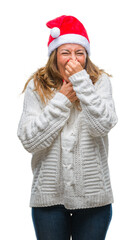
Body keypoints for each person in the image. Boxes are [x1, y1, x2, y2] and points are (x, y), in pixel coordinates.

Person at [17, 15, 118, 240]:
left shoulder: (99, 82)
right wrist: (61, 100)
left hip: (95, 200)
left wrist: (82, 83)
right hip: (48, 200)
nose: (73, 59)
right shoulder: (37, 85)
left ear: (86, 56)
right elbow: (29, 140)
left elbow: (103, 125)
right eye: (66, 52)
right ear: (55, 56)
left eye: (79, 53)